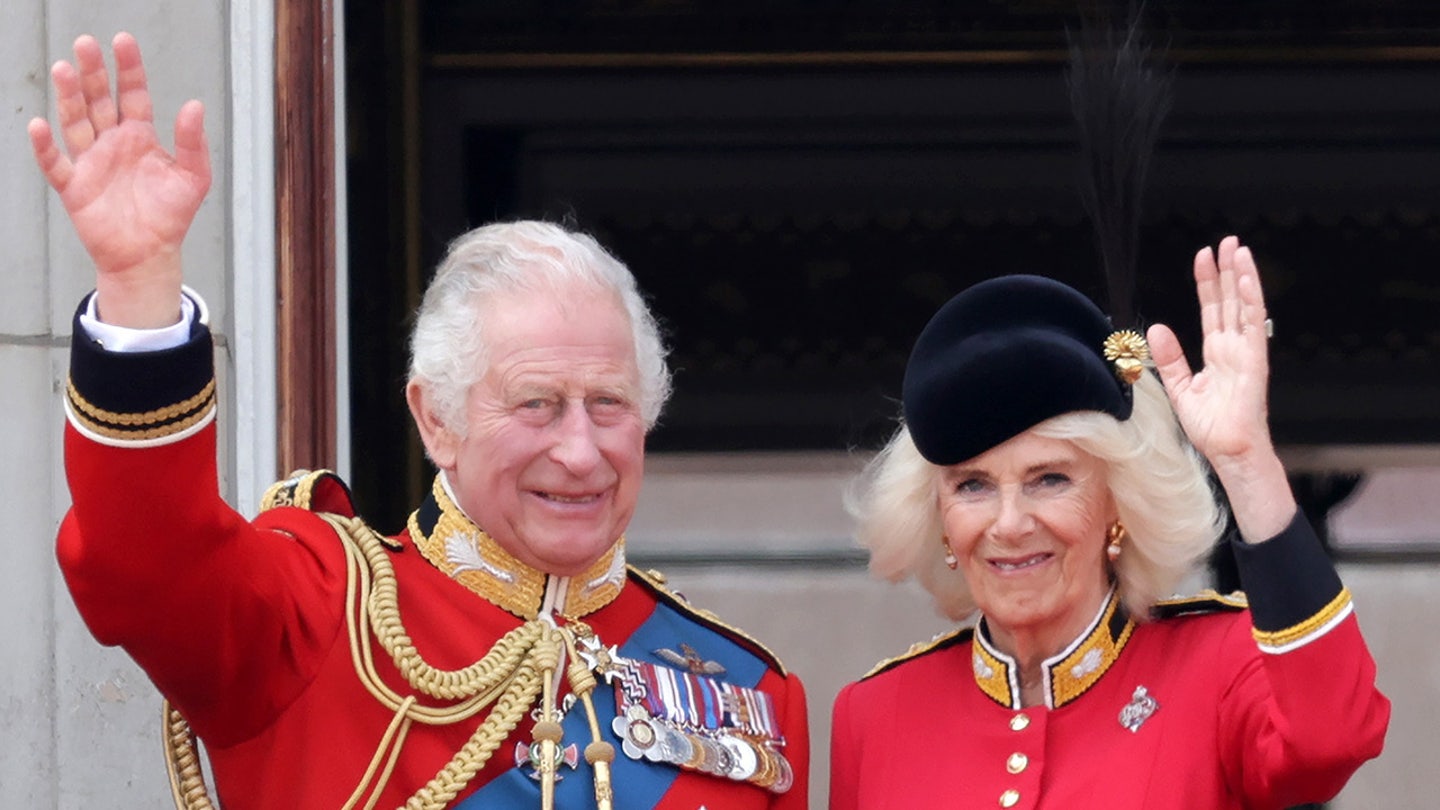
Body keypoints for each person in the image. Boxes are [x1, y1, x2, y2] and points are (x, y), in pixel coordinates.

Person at [31, 32, 807, 809]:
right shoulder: (317, 615)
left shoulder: (746, 692)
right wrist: (139, 287)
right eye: (535, 404)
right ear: (435, 419)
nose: (580, 451)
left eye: (608, 404)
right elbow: (148, 561)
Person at [829, 244, 1390, 808]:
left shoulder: (1218, 666)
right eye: (972, 485)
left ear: (1117, 503)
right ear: (940, 520)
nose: (1010, 523)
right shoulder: (875, 714)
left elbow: (1331, 740)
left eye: (1049, 479)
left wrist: (1245, 463)